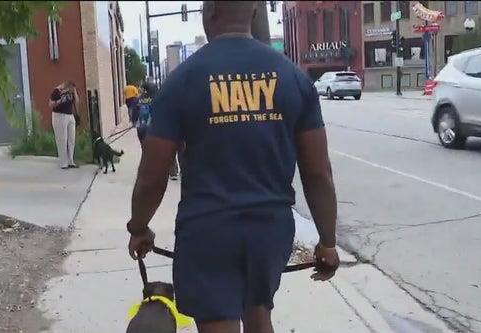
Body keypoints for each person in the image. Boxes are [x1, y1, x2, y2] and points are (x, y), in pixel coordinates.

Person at [126, 2, 340, 333]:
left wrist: (139, 226)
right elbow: (318, 172)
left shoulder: (182, 80)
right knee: (258, 311)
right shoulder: (293, 79)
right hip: (269, 231)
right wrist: (327, 241)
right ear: (254, 13)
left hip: (208, 232)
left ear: (208, 14)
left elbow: (152, 174)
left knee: (220, 322)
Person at [49, 80, 79, 170]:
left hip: (70, 115)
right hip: (59, 116)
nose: (71, 91)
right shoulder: (57, 91)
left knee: (71, 139)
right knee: (62, 139)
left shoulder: (72, 92)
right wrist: (58, 101)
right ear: (67, 86)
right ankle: (63, 162)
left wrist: (75, 92)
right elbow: (50, 105)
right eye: (71, 89)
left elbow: (77, 102)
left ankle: (71, 161)